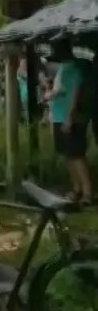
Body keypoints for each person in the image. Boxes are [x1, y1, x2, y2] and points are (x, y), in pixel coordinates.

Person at [45, 46, 92, 205]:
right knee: (67, 155)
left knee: (76, 155)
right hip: (58, 115)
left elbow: (74, 95)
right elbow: (61, 91)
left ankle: (87, 192)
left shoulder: (75, 70)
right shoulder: (63, 69)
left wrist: (69, 117)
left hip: (70, 117)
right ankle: (76, 188)